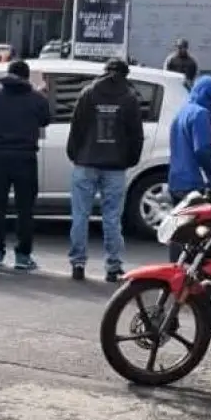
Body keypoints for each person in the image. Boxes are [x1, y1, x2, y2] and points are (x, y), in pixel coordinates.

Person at [66, 58, 144, 283]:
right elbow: (135, 135)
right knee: (112, 217)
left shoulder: (88, 93)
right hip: (115, 166)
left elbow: (76, 127)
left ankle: (78, 264)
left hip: (86, 162)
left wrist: (76, 155)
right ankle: (112, 266)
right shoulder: (129, 98)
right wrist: (129, 159)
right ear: (126, 74)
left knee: (80, 215)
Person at [0, 59, 51, 269]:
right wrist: (43, 95)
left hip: (0, 157)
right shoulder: (36, 98)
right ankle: (23, 255)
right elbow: (45, 120)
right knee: (25, 209)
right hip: (25, 157)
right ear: (27, 76)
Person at [167, 76, 211, 261]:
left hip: (176, 179)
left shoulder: (182, 112)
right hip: (195, 181)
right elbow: (203, 150)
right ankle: (187, 276)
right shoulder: (201, 114)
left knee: (179, 231)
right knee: (198, 234)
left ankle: (175, 270)